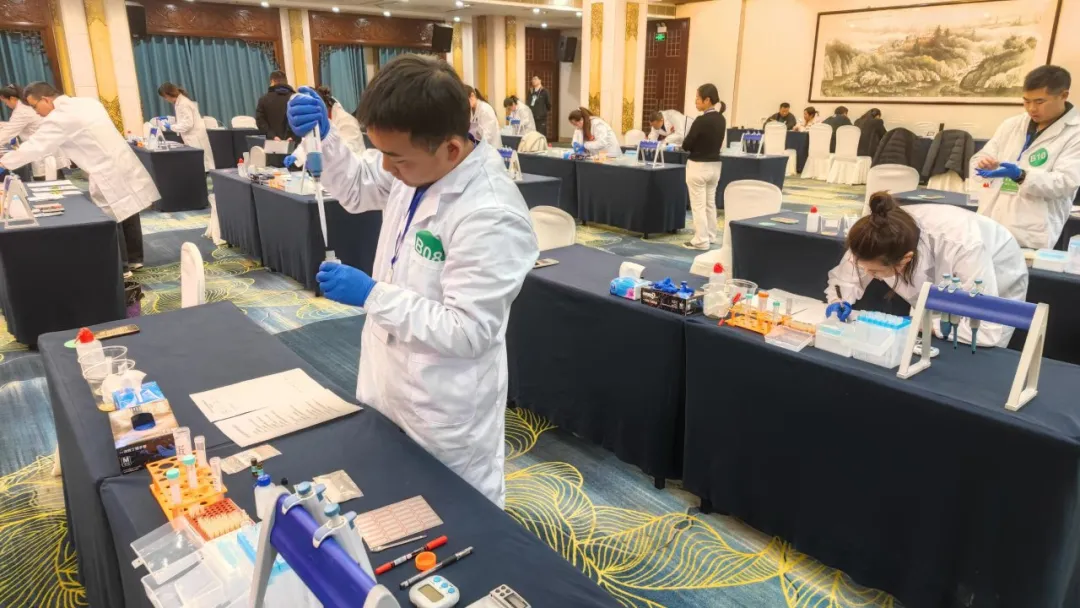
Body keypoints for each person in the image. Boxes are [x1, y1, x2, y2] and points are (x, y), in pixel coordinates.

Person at [286, 55, 538, 507]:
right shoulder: (419, 164)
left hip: (441, 404)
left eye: (396, 158)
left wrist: (373, 294)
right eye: (381, 152)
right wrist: (326, 139)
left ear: (452, 150)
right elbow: (358, 188)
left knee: (455, 515)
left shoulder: (491, 215)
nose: (386, 168)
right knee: (387, 499)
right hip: (388, 379)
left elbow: (469, 331)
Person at [826, 192, 1027, 347]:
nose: (869, 275)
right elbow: (845, 280)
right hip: (939, 266)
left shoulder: (964, 246)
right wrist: (838, 301)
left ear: (905, 259)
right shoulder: (873, 236)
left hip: (997, 265)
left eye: (876, 273)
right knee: (920, 344)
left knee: (974, 346)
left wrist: (923, 325)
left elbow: (986, 329)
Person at [0, 82, 159, 273]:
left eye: (35, 106)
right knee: (128, 209)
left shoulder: (60, 117)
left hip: (105, 170)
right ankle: (135, 258)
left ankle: (122, 268)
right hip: (122, 161)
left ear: (46, 100)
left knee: (113, 215)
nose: (36, 112)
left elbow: (36, 146)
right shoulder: (87, 103)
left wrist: (4, 163)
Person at [972, 65, 1080, 250]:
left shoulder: (1075, 133)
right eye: (1026, 101)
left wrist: (1021, 176)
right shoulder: (1012, 124)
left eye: (1039, 101)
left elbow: (1066, 183)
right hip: (990, 222)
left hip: (1030, 232)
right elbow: (982, 156)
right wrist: (984, 163)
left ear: (1063, 95)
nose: (1031, 108)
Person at [680, 84, 726, 250]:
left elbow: (687, 144)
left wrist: (687, 144)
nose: (696, 101)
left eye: (698, 98)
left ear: (707, 100)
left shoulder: (701, 121)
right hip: (715, 165)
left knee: (698, 205)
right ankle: (711, 235)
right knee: (710, 203)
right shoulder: (721, 119)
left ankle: (700, 240)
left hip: (698, 166)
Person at [157, 82, 215, 172]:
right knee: (201, 162)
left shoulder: (183, 103)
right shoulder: (180, 102)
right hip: (192, 136)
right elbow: (183, 119)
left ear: (168, 94)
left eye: (165, 97)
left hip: (194, 136)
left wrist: (171, 127)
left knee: (203, 163)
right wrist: (170, 120)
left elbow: (188, 124)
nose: (165, 99)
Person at [0, 84, 45, 177]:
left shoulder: (21, 111)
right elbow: (17, 125)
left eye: (5, 102)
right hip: (42, 147)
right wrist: (3, 124)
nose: (6, 105)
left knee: (47, 180)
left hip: (41, 151)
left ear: (12, 98)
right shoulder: (24, 106)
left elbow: (8, 133)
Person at [255, 70, 297, 141]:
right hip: (294, 143)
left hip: (273, 143)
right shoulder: (296, 98)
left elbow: (260, 121)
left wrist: (272, 136)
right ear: (286, 81)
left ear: (272, 81)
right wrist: (294, 137)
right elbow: (302, 120)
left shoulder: (263, 100)